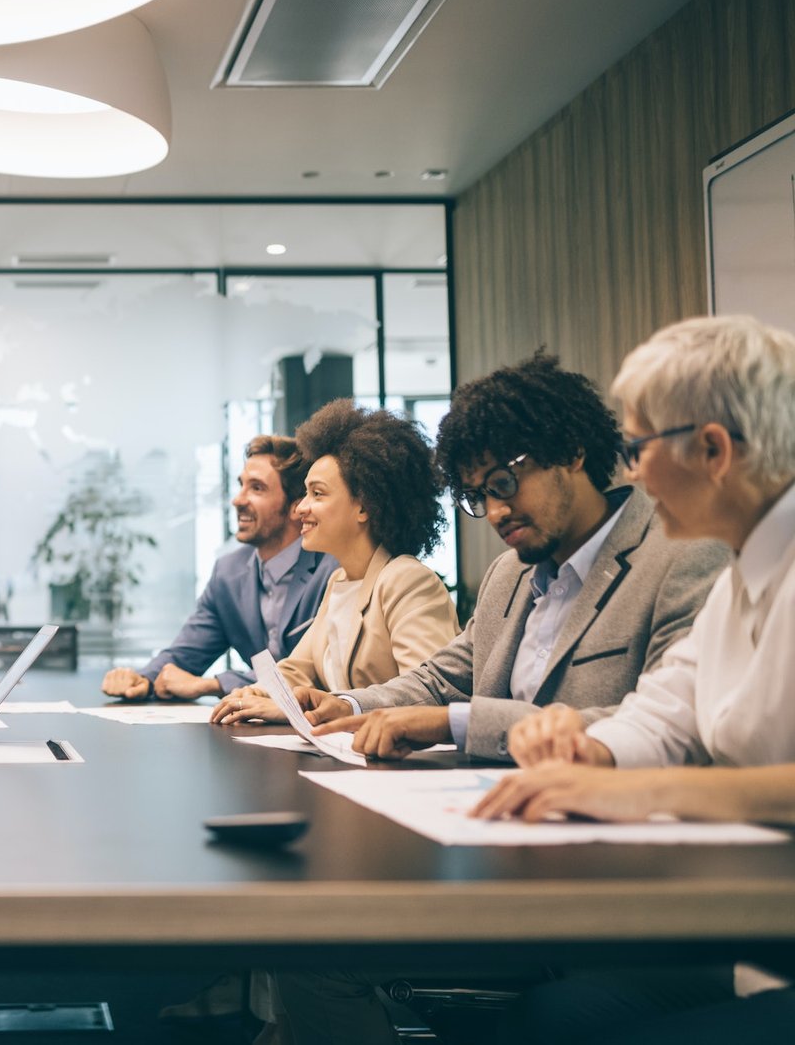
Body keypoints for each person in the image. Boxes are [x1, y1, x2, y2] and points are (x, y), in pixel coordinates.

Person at [253, 354, 727, 1045]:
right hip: (502, 863)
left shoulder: (677, 555)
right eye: (478, 495)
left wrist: (452, 721)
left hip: (622, 897)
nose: (497, 511)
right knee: (302, 945)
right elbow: (444, 674)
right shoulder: (512, 572)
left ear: (574, 451)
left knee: (319, 961)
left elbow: (658, 721)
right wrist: (353, 707)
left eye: (506, 483)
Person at [470, 315, 795, 1044]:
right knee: (541, 1023)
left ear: (712, 450)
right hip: (757, 941)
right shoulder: (743, 573)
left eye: (639, 447)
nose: (632, 473)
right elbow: (663, 713)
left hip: (770, 946)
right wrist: (590, 751)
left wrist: (640, 788)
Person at [210, 400, 458, 724]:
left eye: (318, 494)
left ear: (364, 507)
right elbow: (299, 669)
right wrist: (253, 694)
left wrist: (325, 707)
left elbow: (429, 693)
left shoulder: (407, 581)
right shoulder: (340, 580)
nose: (300, 508)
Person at [102, 435, 335, 701]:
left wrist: (214, 684)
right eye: (241, 486)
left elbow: (313, 674)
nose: (238, 500)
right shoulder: (229, 573)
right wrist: (143, 679)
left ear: (297, 506)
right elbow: (186, 653)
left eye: (256, 488)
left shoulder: (331, 570)